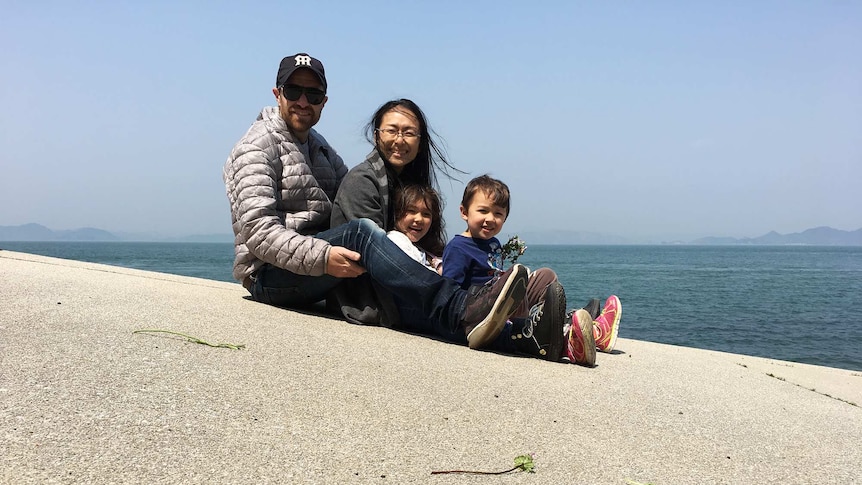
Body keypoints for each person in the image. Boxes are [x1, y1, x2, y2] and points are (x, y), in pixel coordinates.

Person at [222, 53, 528, 350]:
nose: (303, 101)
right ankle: (462, 307)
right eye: (294, 91)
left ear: (324, 101)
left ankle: (525, 330)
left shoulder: (319, 149)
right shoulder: (256, 148)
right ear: (278, 94)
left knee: (367, 238)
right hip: (268, 275)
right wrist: (324, 256)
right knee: (361, 233)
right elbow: (259, 233)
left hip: (312, 270)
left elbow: (345, 203)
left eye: (313, 94)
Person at [330, 99, 561, 357]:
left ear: (420, 140)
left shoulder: (409, 183)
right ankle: (530, 334)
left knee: (539, 281)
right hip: (385, 298)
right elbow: (377, 258)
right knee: (466, 312)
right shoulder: (363, 181)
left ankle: (564, 325)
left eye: (409, 132)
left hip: (421, 285)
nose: (400, 139)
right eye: (391, 130)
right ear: (376, 136)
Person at [442, 175, 623, 366]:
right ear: (464, 212)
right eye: (483, 211)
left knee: (546, 275)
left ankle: (569, 326)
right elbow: (450, 292)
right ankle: (570, 331)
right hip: (484, 311)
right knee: (515, 279)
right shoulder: (458, 248)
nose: (490, 219)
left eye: (498, 214)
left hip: (504, 302)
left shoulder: (493, 243)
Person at [386, 184, 445, 274]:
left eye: (426, 214)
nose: (419, 219)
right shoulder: (396, 240)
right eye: (411, 211)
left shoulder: (426, 250)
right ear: (397, 212)